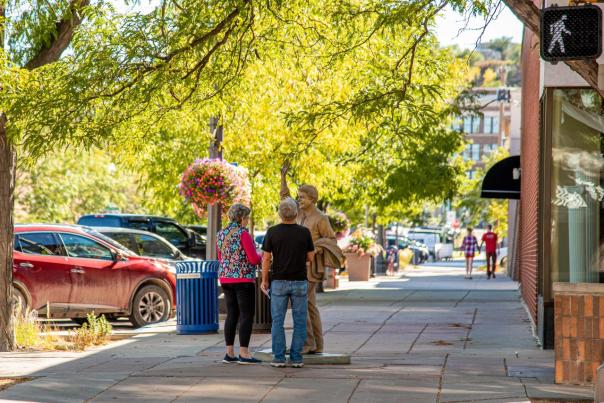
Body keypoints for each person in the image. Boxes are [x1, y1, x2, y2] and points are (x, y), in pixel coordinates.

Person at [280, 163, 342, 354]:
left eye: (303, 197)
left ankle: (308, 343)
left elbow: (331, 239)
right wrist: (283, 176)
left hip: (310, 268)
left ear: (312, 199)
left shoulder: (320, 218)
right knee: (310, 306)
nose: (299, 200)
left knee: (302, 304)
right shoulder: (298, 214)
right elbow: (284, 198)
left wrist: (314, 247)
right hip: (298, 266)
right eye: (298, 197)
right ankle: (318, 344)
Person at [261, 198, 315, 368]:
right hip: (299, 281)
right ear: (296, 213)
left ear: (279, 213)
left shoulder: (272, 232)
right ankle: (296, 358)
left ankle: (278, 357)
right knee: (300, 320)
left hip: (278, 281)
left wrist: (264, 280)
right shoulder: (304, 232)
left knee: (277, 320)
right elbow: (311, 257)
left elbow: (266, 258)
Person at [216, 204, 262, 365]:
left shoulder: (221, 234)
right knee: (246, 315)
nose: (247, 221)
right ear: (242, 218)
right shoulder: (243, 234)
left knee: (232, 314)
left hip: (226, 279)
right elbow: (253, 259)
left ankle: (229, 353)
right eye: (247, 218)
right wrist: (262, 255)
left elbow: (221, 258)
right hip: (243, 279)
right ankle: (244, 353)